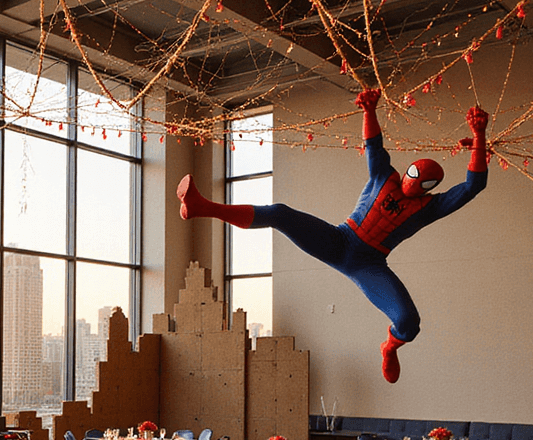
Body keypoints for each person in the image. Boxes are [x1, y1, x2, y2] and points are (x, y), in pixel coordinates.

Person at [177, 89, 489, 382]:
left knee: (409, 321)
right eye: (414, 173)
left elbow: (472, 187)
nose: (414, 183)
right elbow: (374, 145)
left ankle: (390, 347)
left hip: (369, 263)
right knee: (279, 212)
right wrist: (369, 109)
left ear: (430, 189)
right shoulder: (385, 176)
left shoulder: (429, 207)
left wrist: (479, 136)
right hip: (340, 239)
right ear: (407, 170)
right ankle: (203, 206)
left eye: (424, 182)